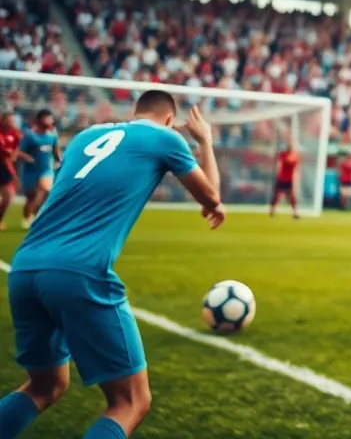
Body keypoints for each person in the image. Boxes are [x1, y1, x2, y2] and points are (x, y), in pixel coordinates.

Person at [0, 90, 225, 439]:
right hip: (78, 271)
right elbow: (210, 194)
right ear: (169, 119)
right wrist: (205, 141)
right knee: (130, 401)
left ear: (135, 112)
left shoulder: (84, 137)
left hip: (25, 268)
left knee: (44, 386)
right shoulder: (165, 137)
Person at [19, 110, 59, 229]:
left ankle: (38, 216)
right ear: (39, 121)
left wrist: (59, 161)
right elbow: (20, 151)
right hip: (30, 171)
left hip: (46, 170)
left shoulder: (52, 136)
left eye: (51, 119)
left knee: (45, 190)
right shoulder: (30, 136)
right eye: (47, 118)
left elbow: (55, 152)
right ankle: (27, 217)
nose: (50, 121)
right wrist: (27, 157)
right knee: (31, 196)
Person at [270, 139, 300, 219]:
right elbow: (279, 164)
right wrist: (277, 173)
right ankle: (273, 210)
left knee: (292, 196)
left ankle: (294, 212)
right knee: (277, 195)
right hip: (282, 178)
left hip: (290, 179)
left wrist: (296, 179)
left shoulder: (295, 156)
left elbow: (296, 169)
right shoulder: (282, 155)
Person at [0, 113, 19, 232]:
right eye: (10, 120)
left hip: (4, 170)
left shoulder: (14, 134)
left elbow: (17, 149)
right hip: (4, 167)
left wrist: (15, 155)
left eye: (13, 120)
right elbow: (5, 157)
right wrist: (14, 174)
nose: (12, 123)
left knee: (8, 197)